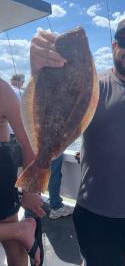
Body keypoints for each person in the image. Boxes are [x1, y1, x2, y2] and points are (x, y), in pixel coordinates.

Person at [30, 16, 125, 266]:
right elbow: (56, 114)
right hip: (96, 212)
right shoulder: (90, 88)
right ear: (114, 47)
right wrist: (40, 71)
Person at [0, 78, 46, 266]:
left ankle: (17, 231)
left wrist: (30, 191)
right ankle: (19, 230)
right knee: (12, 233)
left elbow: (29, 142)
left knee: (12, 245)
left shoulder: (2, 89)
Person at [48, 154, 73, 219]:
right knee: (54, 175)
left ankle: (36, 204)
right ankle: (56, 207)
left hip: (38, 147)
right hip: (52, 147)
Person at [8, 73, 25, 168]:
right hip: (16, 137)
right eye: (23, 82)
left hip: (3, 136)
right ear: (20, 82)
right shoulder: (21, 93)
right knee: (14, 166)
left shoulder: (4, 91)